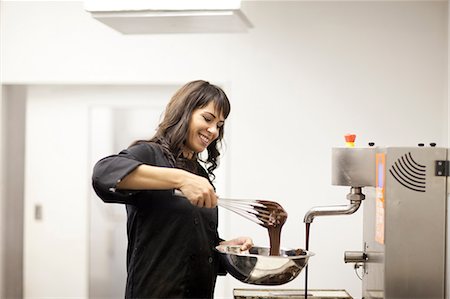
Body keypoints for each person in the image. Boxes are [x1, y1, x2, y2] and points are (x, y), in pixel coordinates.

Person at [92, 80, 253, 299]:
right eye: (207, 119)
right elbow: (104, 173)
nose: (214, 130)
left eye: (220, 125)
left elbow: (188, 245)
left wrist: (223, 248)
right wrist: (180, 179)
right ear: (184, 113)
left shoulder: (201, 176)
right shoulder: (149, 154)